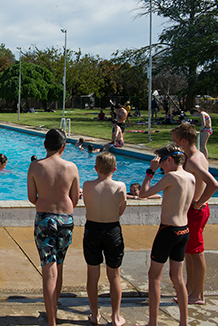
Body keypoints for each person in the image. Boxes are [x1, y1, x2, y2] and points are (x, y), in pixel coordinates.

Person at [137, 144, 195, 326]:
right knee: (178, 278)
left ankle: (152, 323)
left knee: (154, 276)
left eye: (161, 162)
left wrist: (150, 171)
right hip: (183, 231)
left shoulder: (172, 177)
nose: (160, 166)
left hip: (168, 231)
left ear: (169, 160)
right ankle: (183, 322)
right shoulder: (190, 177)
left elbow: (143, 194)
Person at [27, 128, 80, 326]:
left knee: (48, 270)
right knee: (59, 265)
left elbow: (32, 198)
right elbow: (74, 199)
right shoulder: (72, 167)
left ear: (44, 145)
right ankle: (54, 309)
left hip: (44, 219)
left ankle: (51, 321)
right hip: (66, 219)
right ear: (64, 147)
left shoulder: (35, 167)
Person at [171, 123, 218, 305]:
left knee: (196, 253)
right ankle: (190, 290)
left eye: (176, 142)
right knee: (189, 252)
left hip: (196, 211)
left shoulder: (193, 161)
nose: (175, 146)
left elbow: (213, 184)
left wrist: (198, 202)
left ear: (184, 141)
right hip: (194, 210)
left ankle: (198, 294)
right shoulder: (196, 156)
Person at [82, 152, 127, 326]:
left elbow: (87, 204)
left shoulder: (87, 185)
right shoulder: (120, 186)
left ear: (96, 168)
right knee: (114, 275)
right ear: (114, 169)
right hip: (112, 229)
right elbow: (120, 211)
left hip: (92, 229)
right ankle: (116, 317)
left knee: (93, 275)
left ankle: (94, 314)